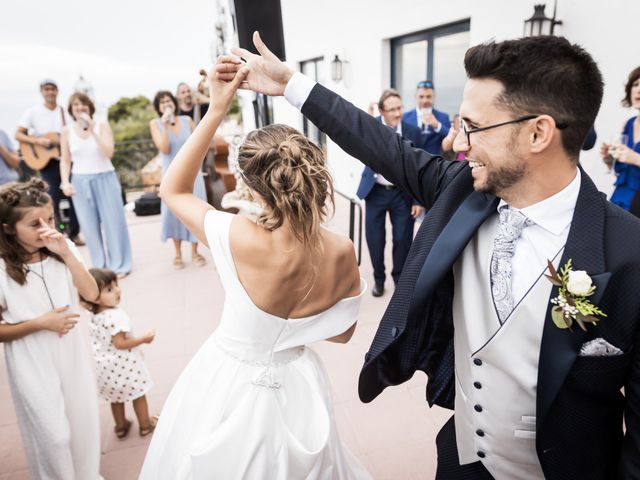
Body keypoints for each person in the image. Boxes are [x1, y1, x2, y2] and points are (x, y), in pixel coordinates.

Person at [220, 32, 640, 479]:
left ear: (538, 133)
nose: (460, 143)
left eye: (474, 128)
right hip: (462, 460)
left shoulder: (629, 253)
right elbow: (383, 147)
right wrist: (291, 84)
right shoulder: (459, 190)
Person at [139, 62, 370, 480]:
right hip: (300, 384)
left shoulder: (235, 236)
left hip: (227, 380)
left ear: (254, 186)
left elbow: (172, 188)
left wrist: (214, 109)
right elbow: (341, 332)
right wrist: (295, 325)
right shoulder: (343, 249)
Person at [0, 179, 101, 479]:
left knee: (82, 425)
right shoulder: (3, 266)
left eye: (51, 218)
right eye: (35, 224)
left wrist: (67, 254)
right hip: (31, 359)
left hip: (71, 354)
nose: (46, 228)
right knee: (54, 437)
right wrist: (40, 323)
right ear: (8, 228)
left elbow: (92, 294)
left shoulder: (62, 248)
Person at [357, 89, 424, 297]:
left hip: (403, 194)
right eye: (392, 109)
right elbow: (360, 150)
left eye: (399, 108)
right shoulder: (371, 125)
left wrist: (418, 199)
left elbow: (419, 167)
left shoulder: (414, 131)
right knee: (375, 239)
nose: (397, 113)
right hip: (375, 192)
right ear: (382, 111)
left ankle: (400, 282)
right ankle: (379, 279)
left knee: (403, 240)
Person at [60, 92, 133, 277]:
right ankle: (100, 266)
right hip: (80, 180)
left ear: (89, 107)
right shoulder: (66, 130)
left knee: (114, 224)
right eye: (76, 104)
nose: (80, 107)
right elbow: (65, 160)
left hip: (105, 178)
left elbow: (109, 152)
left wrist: (92, 130)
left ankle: (120, 265)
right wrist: (65, 182)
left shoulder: (102, 125)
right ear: (71, 108)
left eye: (83, 104)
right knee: (89, 227)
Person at [80, 267, 156, 439]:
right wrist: (143, 339)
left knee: (116, 399)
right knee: (138, 395)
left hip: (105, 369)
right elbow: (120, 343)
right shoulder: (116, 315)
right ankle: (145, 425)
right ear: (94, 296)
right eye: (109, 289)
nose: (117, 290)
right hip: (125, 366)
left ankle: (121, 427)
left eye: (116, 285)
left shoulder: (92, 315)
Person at [15, 79, 83, 245]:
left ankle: (74, 233)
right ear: (42, 92)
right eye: (47, 89)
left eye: (52, 89)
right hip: (47, 163)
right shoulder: (32, 112)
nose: (50, 92)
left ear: (57, 91)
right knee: (53, 198)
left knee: (74, 195)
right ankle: (58, 231)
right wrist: (38, 142)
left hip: (67, 160)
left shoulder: (64, 112)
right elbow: (18, 134)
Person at [150, 91, 207, 269]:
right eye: (162, 102)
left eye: (168, 100)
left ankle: (196, 251)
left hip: (193, 172)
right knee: (173, 213)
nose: (166, 104)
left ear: (174, 103)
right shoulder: (155, 124)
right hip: (171, 176)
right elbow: (164, 149)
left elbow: (196, 145)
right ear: (158, 107)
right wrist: (166, 126)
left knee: (196, 211)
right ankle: (177, 253)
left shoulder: (187, 121)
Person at [600, 66, 640, 215]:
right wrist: (609, 160)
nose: (638, 90)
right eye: (635, 85)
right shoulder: (628, 124)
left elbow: (633, 160)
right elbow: (621, 171)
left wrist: (635, 158)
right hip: (620, 199)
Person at [402, 80, 451, 155]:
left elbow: (450, 137)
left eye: (428, 96)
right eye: (421, 97)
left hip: (435, 163)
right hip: (411, 162)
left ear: (434, 96)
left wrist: (437, 125)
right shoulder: (405, 117)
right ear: (415, 96)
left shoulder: (443, 117)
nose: (425, 100)